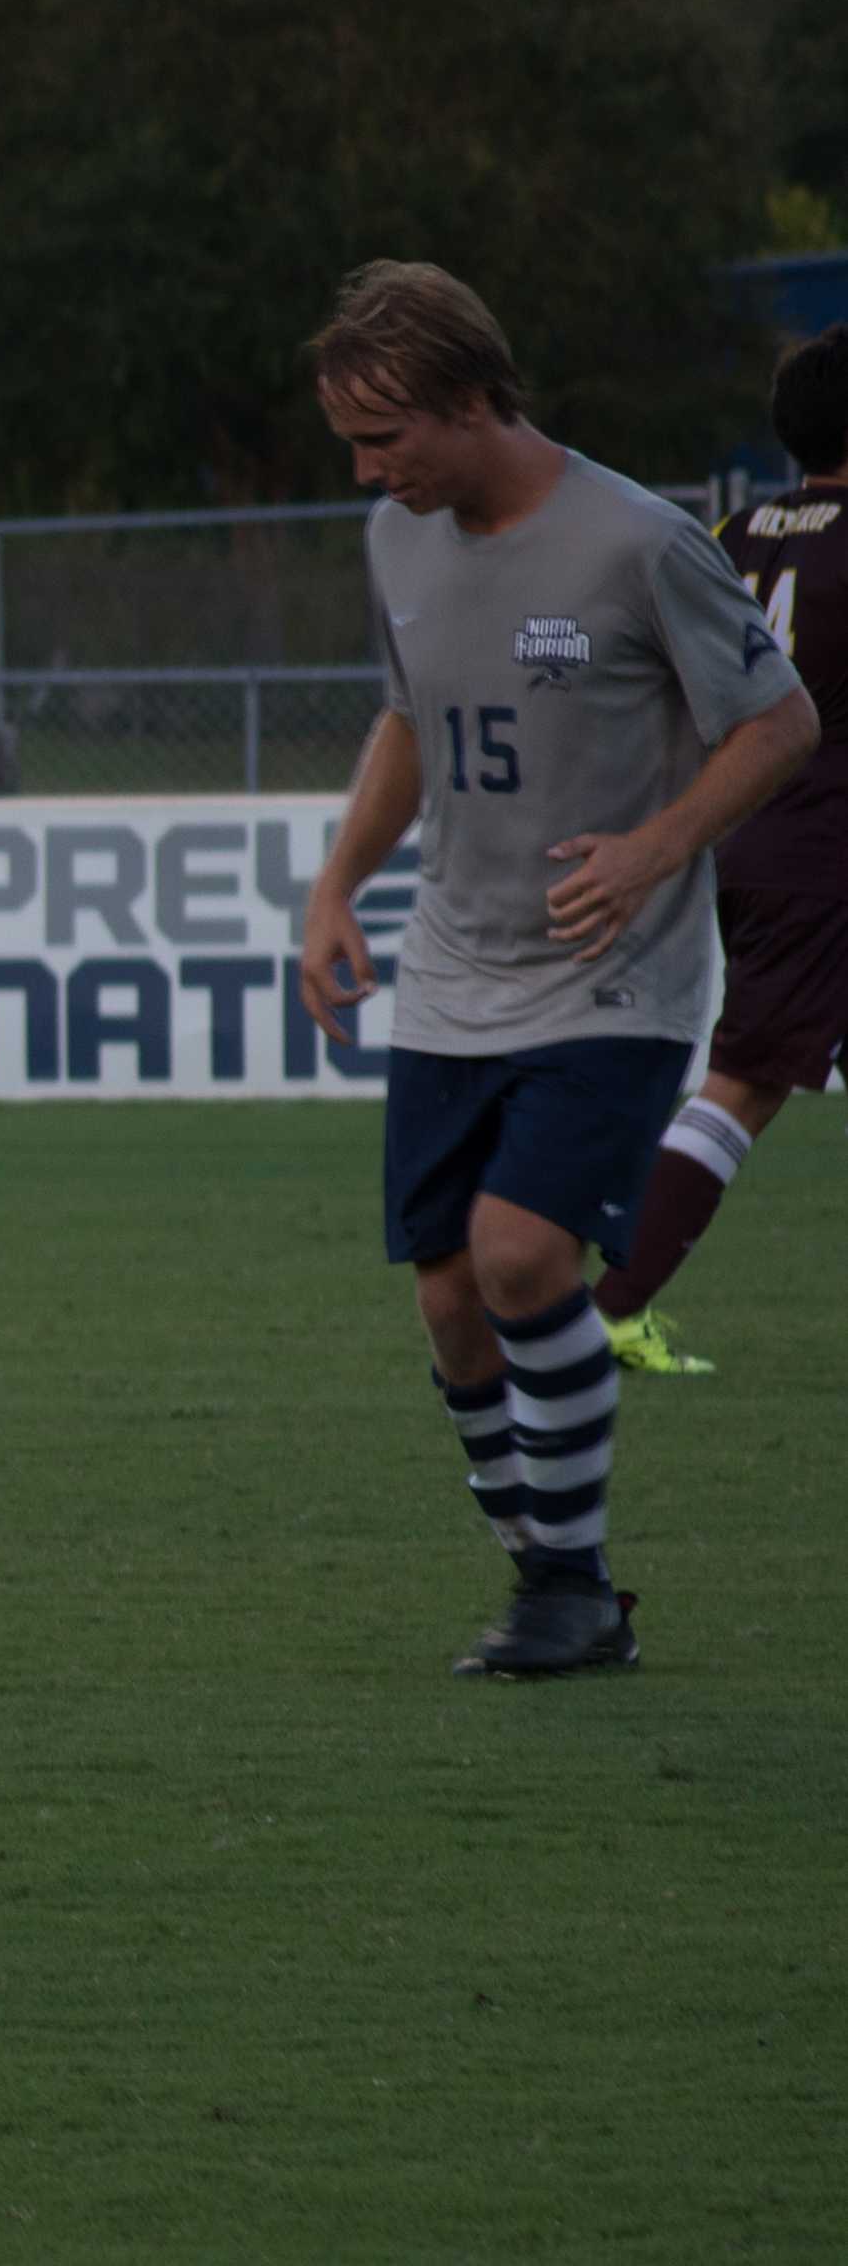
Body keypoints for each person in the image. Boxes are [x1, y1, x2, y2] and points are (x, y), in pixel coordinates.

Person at [295, 261, 821, 1679]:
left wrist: (657, 846)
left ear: (473, 399)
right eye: (349, 441)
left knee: (519, 1253)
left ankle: (568, 1583)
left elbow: (777, 726)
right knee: (446, 1298)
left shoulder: (633, 541)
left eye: (384, 435)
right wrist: (335, 887)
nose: (365, 468)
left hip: (612, 972)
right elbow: (407, 720)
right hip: (449, 972)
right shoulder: (394, 539)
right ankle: (548, 1572)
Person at [586, 322, 848, 1373]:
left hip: (749, 836)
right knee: (739, 1082)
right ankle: (603, 1307)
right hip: (821, 850)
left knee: (747, 1075)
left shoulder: (733, 532)